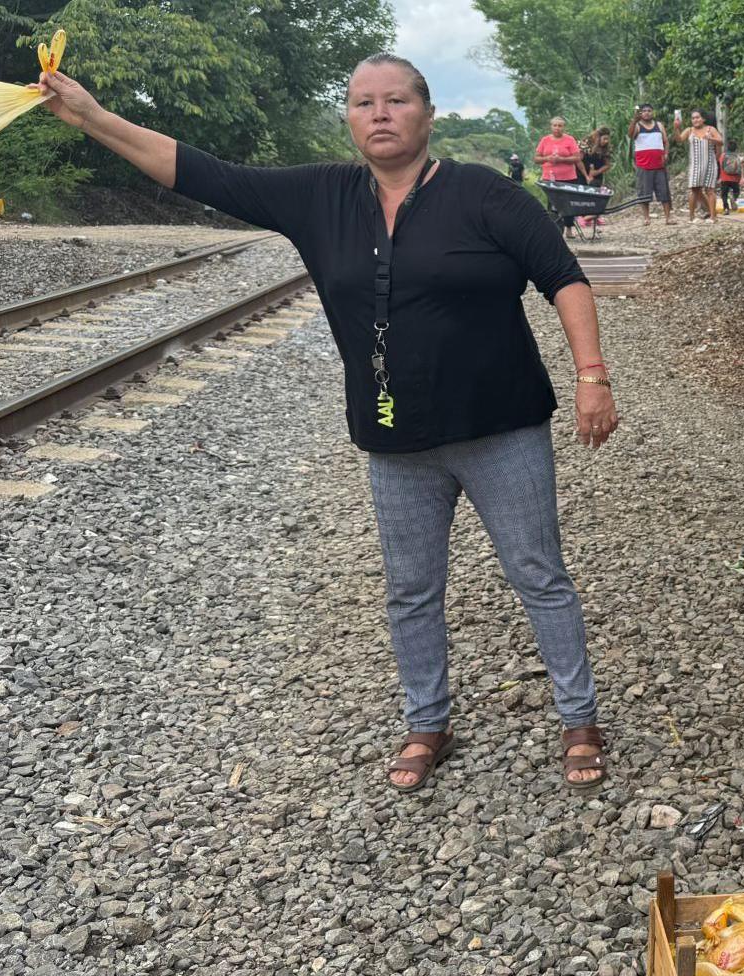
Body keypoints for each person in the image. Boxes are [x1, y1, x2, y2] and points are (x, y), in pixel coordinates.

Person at [36, 54, 619, 792]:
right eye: (363, 102)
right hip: (396, 442)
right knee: (410, 589)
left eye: (397, 101)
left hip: (501, 429)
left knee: (538, 574)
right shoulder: (320, 196)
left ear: (427, 114)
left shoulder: (485, 194)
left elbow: (564, 278)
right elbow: (199, 172)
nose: (380, 113)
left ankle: (579, 720)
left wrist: (591, 376)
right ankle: (427, 723)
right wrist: (91, 117)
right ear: (349, 117)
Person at [628, 104, 673, 225]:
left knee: (664, 192)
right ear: (640, 113)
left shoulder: (659, 125)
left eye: (649, 110)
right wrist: (634, 121)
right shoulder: (637, 125)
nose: (647, 113)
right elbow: (630, 135)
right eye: (644, 111)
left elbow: (666, 141)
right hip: (643, 165)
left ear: (652, 112)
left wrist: (666, 154)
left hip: (659, 164)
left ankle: (668, 217)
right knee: (644, 193)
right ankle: (646, 218)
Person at [680, 109, 724, 224]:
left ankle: (713, 217)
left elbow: (721, 141)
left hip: (710, 163)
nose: (695, 120)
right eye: (693, 118)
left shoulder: (711, 129)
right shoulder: (689, 130)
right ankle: (691, 217)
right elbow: (679, 139)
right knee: (694, 190)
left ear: (703, 119)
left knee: (710, 190)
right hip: (695, 165)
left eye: (697, 117)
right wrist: (676, 127)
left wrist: (711, 138)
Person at [534, 116, 581, 184]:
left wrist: (561, 159)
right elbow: (536, 159)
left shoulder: (570, 139)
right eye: (555, 125)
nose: (557, 128)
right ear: (551, 127)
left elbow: (577, 158)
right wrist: (547, 158)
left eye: (560, 126)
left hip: (568, 179)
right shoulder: (545, 140)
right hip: (548, 178)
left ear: (564, 127)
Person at [717, 139, 744, 215]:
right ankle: (733, 197)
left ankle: (726, 209)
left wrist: (719, 177)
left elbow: (720, 166)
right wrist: (742, 177)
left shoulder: (722, 156)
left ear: (727, 147)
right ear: (736, 148)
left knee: (724, 194)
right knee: (737, 191)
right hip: (735, 179)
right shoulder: (738, 157)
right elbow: (742, 167)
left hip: (724, 178)